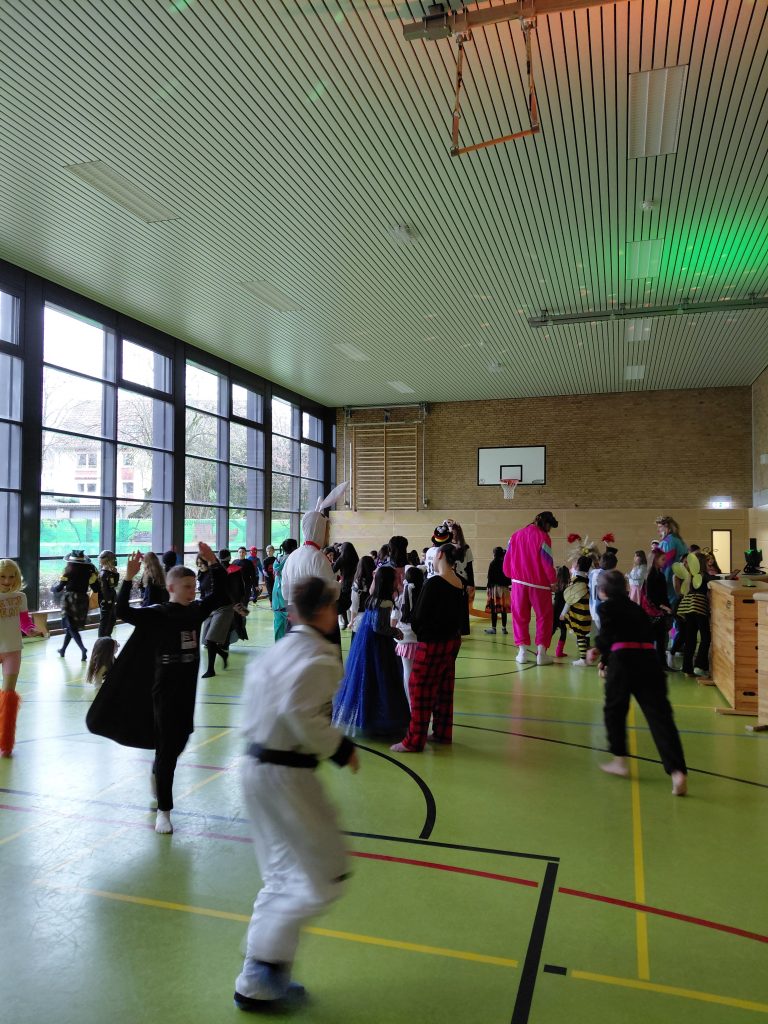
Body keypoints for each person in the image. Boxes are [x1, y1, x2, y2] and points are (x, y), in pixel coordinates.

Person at [235, 577, 359, 1011]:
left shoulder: (281, 650)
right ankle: (264, 965)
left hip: (255, 767)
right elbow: (297, 710)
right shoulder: (318, 657)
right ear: (325, 610)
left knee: (281, 875)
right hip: (285, 774)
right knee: (326, 878)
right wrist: (341, 748)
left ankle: (259, 980)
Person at [87, 542, 228, 834]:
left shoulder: (196, 611)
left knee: (178, 742)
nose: (192, 591)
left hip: (187, 690)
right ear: (172, 587)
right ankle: (164, 811)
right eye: (186, 587)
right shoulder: (159, 614)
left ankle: (158, 770)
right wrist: (128, 578)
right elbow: (124, 611)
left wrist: (214, 562)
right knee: (166, 750)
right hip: (164, 689)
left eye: (194, 586)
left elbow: (222, 594)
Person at [587, 570, 688, 796]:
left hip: (623, 662)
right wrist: (606, 655)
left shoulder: (606, 607)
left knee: (614, 711)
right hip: (649, 662)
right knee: (660, 718)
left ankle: (619, 761)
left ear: (603, 591)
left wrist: (597, 651)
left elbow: (608, 636)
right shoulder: (637, 609)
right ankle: (677, 772)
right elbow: (641, 634)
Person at [390, 543, 465, 753]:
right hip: (452, 640)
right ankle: (442, 732)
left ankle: (414, 740)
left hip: (433, 642)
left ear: (439, 555)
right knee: (444, 689)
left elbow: (418, 616)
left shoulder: (434, 583)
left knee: (420, 688)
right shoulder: (459, 582)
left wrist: (420, 631)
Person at [332, 566, 409, 737]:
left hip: (366, 643)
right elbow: (379, 627)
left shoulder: (372, 599)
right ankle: (382, 719)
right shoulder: (385, 603)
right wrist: (396, 631)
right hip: (379, 646)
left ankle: (366, 717)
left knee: (365, 679)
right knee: (382, 679)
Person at [281, 484, 346, 643]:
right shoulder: (318, 557)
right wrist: (339, 585)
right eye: (326, 530)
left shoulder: (292, 556)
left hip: (294, 619)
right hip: (315, 623)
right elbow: (329, 592)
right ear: (319, 530)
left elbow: (285, 592)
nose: (328, 534)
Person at [503, 511, 558, 665]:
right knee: (544, 617)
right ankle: (541, 654)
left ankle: (522, 653)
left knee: (519, 617)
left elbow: (507, 560)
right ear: (546, 524)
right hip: (539, 585)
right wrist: (553, 581)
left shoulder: (515, 535)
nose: (549, 530)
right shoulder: (544, 537)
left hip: (518, 584)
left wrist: (511, 575)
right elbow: (547, 562)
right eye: (550, 527)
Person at [0, 559, 28, 756]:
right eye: (2, 576)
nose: (7, 581)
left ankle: (6, 742)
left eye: (11, 576)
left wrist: (32, 629)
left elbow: (25, 623)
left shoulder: (20, 597)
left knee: (9, 696)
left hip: (13, 650)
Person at [674, 552, 715, 680]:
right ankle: (700, 665)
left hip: (687, 607)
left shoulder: (690, 576)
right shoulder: (704, 575)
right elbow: (716, 582)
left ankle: (687, 668)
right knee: (706, 637)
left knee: (690, 638)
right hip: (699, 607)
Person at [52, 550, 99, 662]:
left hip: (69, 600)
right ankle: (63, 650)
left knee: (71, 627)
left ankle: (83, 648)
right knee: (71, 626)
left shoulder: (68, 570)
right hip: (83, 600)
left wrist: (53, 588)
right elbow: (96, 588)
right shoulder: (89, 572)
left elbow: (59, 588)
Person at [200, 548, 238, 677]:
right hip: (211, 608)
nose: (200, 566)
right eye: (198, 564)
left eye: (202, 564)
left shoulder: (218, 571)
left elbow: (220, 592)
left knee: (211, 639)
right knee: (206, 640)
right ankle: (223, 654)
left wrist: (238, 605)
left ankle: (211, 670)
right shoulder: (202, 574)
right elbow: (204, 593)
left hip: (223, 608)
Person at [392, 565, 424, 703]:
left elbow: (393, 621)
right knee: (421, 673)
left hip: (405, 640)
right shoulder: (424, 597)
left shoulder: (400, 598)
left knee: (407, 672)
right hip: (421, 639)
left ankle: (410, 703)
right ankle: (420, 699)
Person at [641, 548, 673, 665]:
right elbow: (650, 596)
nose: (665, 561)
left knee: (661, 639)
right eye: (663, 559)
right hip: (652, 612)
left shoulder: (660, 575)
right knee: (652, 639)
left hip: (660, 611)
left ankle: (662, 663)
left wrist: (668, 607)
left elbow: (663, 594)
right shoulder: (651, 576)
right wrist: (662, 607)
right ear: (655, 560)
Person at [562, 556, 593, 665]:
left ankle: (583, 659)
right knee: (582, 635)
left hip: (579, 612)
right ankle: (583, 658)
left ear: (578, 566)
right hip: (586, 611)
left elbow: (569, 599)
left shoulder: (576, 581)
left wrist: (563, 613)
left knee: (580, 636)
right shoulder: (587, 579)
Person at [449, 522, 474, 636]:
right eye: (450, 532)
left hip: (462, 578)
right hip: (449, 578)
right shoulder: (446, 547)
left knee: (462, 606)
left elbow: (469, 567)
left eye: (454, 532)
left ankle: (462, 630)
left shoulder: (466, 547)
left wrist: (470, 584)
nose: (452, 534)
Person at [272, 539, 298, 642]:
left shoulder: (278, 559)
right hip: (287, 594)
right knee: (292, 624)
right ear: (294, 548)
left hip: (276, 595)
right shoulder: (294, 559)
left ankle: (279, 646)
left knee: (278, 624)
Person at [484, 546, 511, 635]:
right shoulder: (505, 563)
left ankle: (494, 628)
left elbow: (490, 577)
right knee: (504, 610)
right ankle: (504, 629)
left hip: (495, 589)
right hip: (505, 589)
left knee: (494, 610)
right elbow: (509, 576)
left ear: (495, 554)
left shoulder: (493, 563)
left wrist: (488, 587)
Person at [347, 554, 375, 640]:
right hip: (375, 617)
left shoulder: (358, 583)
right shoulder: (376, 581)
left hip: (360, 619)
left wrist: (352, 621)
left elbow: (354, 605)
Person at [333, 542, 359, 629]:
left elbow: (333, 569)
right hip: (355, 583)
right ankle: (353, 622)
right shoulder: (356, 558)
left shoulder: (342, 558)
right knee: (354, 603)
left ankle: (346, 622)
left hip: (345, 583)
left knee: (342, 603)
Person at [96, 550, 120, 638]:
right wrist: (108, 600)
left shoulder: (109, 572)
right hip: (106, 601)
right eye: (113, 559)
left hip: (111, 600)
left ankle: (107, 638)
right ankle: (101, 639)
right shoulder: (103, 574)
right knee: (105, 621)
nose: (115, 561)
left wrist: (116, 574)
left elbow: (114, 584)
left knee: (112, 620)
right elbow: (104, 589)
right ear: (109, 561)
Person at [551, 565, 570, 657]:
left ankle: (541, 650)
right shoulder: (567, 587)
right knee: (563, 631)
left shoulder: (556, 586)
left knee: (552, 631)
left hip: (555, 611)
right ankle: (559, 651)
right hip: (562, 612)